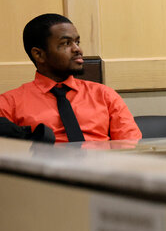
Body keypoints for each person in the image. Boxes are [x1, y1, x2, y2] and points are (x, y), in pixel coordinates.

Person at [0, 13, 142, 142]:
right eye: (66, 43)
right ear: (39, 54)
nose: (77, 49)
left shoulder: (105, 95)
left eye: (77, 42)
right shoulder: (9, 104)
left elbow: (132, 147)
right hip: (44, 169)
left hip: (102, 167)